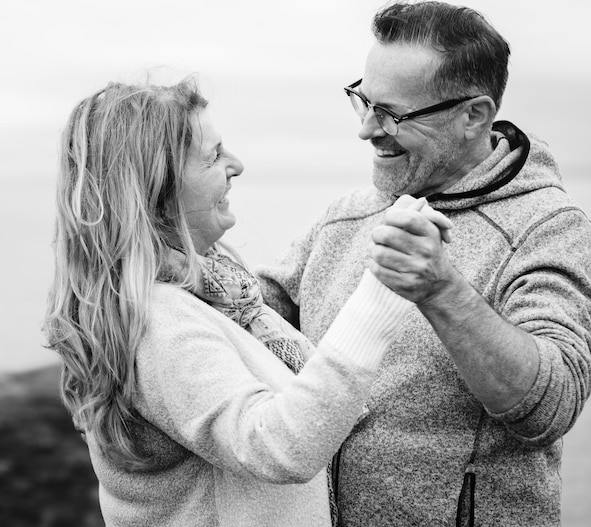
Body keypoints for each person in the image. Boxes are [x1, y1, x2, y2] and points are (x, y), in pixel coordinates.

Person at [44, 77, 455, 526]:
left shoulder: (207, 297)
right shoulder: (160, 325)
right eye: (213, 156)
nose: (236, 165)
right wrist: (380, 294)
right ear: (156, 191)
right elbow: (278, 445)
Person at [256, 2, 591, 526]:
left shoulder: (549, 226)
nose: (367, 130)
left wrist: (442, 289)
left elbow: (551, 406)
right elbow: (248, 314)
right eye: (363, 101)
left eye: (392, 114)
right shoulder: (345, 216)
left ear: (474, 116)